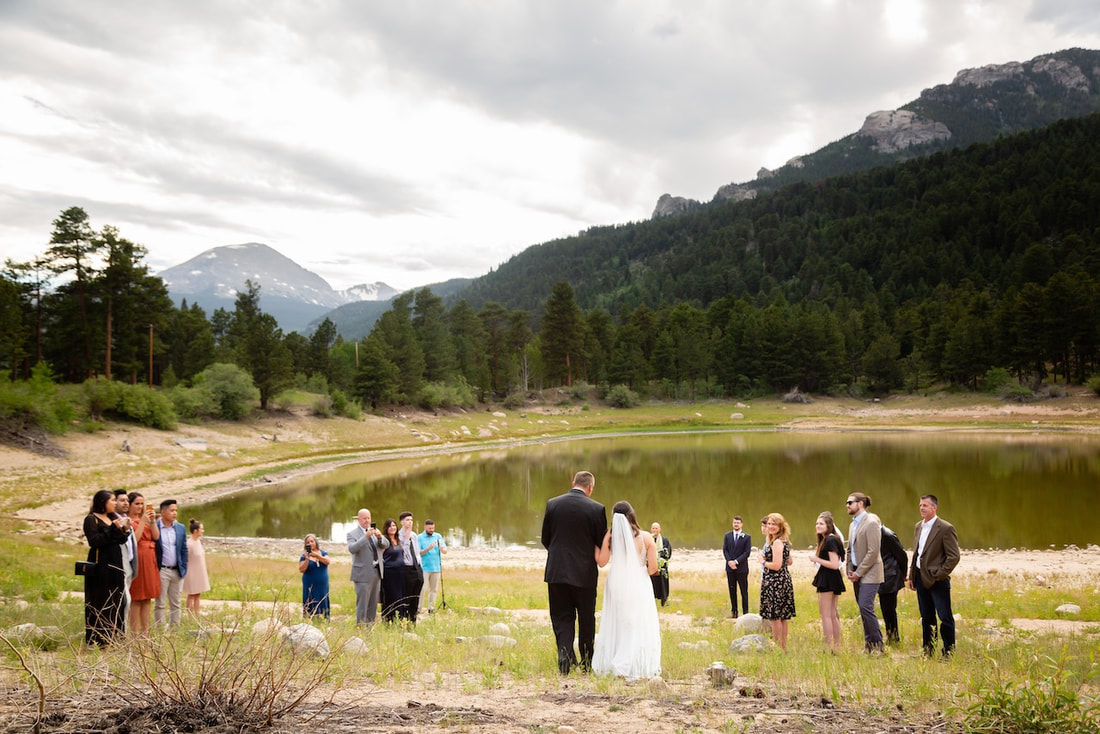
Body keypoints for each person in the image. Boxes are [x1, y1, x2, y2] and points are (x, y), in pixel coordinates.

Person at [541, 470, 608, 674]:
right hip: (584, 574)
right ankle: (587, 662)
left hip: (557, 571)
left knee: (562, 616)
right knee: (586, 617)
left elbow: (546, 539)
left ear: (573, 483)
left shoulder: (553, 504)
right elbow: (600, 543)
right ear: (590, 487)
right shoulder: (597, 509)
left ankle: (565, 656)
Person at [592, 501, 661, 679]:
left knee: (618, 620)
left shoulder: (611, 536)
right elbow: (653, 569)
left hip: (616, 582)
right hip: (638, 583)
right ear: (632, 514)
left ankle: (616, 657)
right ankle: (631, 661)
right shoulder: (646, 537)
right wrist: (639, 573)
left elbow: (601, 562)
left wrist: (593, 544)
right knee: (636, 621)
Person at [907, 494, 960, 657]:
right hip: (920, 578)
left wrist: (939, 574)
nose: (921, 508)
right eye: (920, 505)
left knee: (944, 617)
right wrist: (911, 576)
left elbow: (954, 556)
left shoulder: (945, 528)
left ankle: (948, 652)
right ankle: (928, 650)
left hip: (938, 580)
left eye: (925, 505)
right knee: (927, 617)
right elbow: (917, 553)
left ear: (934, 508)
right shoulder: (918, 526)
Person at [83, 490, 131, 645]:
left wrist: (124, 530)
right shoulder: (91, 519)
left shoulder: (112, 518)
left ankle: (116, 635)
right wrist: (113, 529)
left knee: (118, 599)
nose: (115, 503)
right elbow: (95, 541)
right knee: (101, 600)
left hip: (115, 563)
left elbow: (120, 541)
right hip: (100, 566)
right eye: (112, 500)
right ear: (103, 502)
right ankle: (99, 638)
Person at [846, 491, 884, 653]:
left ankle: (878, 646)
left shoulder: (871, 522)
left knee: (866, 606)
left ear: (860, 503)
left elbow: (873, 551)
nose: (847, 505)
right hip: (856, 573)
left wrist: (859, 572)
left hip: (870, 573)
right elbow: (849, 549)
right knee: (862, 609)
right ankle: (869, 645)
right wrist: (849, 568)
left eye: (850, 502)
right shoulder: (852, 524)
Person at [759, 513, 795, 651]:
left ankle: (779, 647)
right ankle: (783, 648)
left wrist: (763, 561)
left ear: (780, 526)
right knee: (782, 616)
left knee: (775, 617)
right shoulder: (781, 540)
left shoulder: (778, 542)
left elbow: (776, 565)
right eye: (769, 524)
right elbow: (790, 561)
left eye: (774, 524)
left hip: (776, 582)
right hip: (781, 580)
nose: (771, 526)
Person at [810, 511, 846, 651]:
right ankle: (836, 646)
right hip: (832, 578)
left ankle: (829, 646)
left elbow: (834, 564)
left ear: (829, 525)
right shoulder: (831, 538)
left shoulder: (830, 540)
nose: (818, 526)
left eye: (821, 523)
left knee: (826, 615)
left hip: (828, 578)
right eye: (817, 523)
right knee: (832, 614)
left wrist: (816, 559)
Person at [126, 492, 159, 635]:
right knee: (136, 596)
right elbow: (135, 539)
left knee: (147, 597)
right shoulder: (128, 520)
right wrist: (143, 522)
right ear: (130, 505)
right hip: (138, 557)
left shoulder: (145, 519)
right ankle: (134, 631)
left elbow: (156, 536)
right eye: (137, 504)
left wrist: (151, 521)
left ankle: (145, 631)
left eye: (142, 504)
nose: (140, 507)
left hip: (149, 558)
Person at [347, 508, 386, 625]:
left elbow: (386, 545)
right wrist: (366, 537)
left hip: (376, 572)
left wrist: (380, 537)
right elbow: (352, 549)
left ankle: (370, 627)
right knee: (362, 603)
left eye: (368, 518)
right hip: (362, 574)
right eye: (364, 518)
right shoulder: (352, 534)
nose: (367, 521)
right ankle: (360, 627)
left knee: (373, 603)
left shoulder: (375, 532)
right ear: (358, 519)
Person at [154, 499, 188, 627]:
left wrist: (184, 567)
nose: (175, 513)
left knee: (176, 603)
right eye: (172, 510)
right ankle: (160, 631)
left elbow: (184, 548)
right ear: (163, 512)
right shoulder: (155, 527)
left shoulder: (180, 528)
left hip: (177, 570)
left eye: (176, 511)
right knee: (160, 603)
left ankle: (175, 631)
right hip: (162, 570)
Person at [878, 524, 908, 644]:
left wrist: (904, 574)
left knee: (889, 609)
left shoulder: (888, 535)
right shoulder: (876, 534)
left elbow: (902, 556)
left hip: (891, 576)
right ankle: (891, 637)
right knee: (886, 608)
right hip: (882, 575)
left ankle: (894, 638)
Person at [113, 489, 136, 632]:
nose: (126, 503)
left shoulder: (127, 519)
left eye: (127, 501)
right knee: (123, 601)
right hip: (119, 565)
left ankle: (122, 632)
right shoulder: (113, 521)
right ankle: (120, 633)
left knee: (126, 602)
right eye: (122, 500)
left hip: (129, 566)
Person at [397, 511, 424, 622]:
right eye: (407, 520)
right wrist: (406, 538)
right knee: (407, 596)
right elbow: (404, 551)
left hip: (416, 568)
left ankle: (413, 620)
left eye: (411, 520)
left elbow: (417, 552)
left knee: (416, 596)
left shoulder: (414, 535)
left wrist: (420, 566)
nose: (410, 522)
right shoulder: (399, 535)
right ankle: (403, 619)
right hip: (406, 568)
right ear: (402, 522)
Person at [723, 515, 751, 618]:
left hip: (742, 568)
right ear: (732, 524)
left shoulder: (746, 536)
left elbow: (747, 552)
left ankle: (745, 613)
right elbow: (725, 550)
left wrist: (736, 561)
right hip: (730, 568)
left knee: (744, 591)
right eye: (734, 522)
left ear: (741, 524)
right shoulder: (727, 536)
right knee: (732, 590)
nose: (736, 524)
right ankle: (734, 611)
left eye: (738, 523)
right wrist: (730, 561)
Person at [418, 519, 447, 614]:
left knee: (434, 589)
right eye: (430, 528)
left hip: (436, 568)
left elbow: (445, 551)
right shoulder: (420, 537)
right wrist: (428, 549)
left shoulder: (437, 536)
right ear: (425, 527)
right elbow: (418, 553)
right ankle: (418, 608)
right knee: (423, 589)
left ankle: (431, 608)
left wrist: (442, 549)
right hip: (424, 568)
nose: (431, 530)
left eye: (433, 528)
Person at [182, 519, 210, 617]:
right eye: (201, 529)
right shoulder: (189, 544)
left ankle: (197, 614)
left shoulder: (198, 542)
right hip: (191, 572)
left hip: (199, 571)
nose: (203, 530)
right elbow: (185, 559)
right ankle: (189, 614)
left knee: (198, 594)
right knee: (191, 593)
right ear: (195, 531)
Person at [299, 533, 331, 619]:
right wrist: (307, 559)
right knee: (309, 599)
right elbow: (301, 569)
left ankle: (324, 618)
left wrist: (317, 555)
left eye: (312, 541)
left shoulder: (323, 553)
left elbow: (327, 561)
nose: (310, 543)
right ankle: (309, 618)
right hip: (309, 583)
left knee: (323, 598)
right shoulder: (304, 556)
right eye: (307, 542)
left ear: (315, 542)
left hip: (322, 583)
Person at [379, 519, 405, 622]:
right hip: (389, 573)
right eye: (390, 526)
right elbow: (380, 556)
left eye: (394, 526)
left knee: (400, 596)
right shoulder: (384, 541)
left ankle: (399, 618)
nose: (393, 528)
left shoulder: (398, 540)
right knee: (391, 596)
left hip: (400, 573)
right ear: (386, 528)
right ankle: (388, 619)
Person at [649, 522, 671, 606]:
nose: (654, 530)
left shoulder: (664, 540)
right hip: (651, 565)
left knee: (663, 583)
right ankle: (651, 601)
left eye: (656, 528)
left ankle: (664, 600)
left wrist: (658, 557)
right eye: (653, 528)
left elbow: (667, 552)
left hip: (661, 566)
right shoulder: (649, 539)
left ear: (659, 529)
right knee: (652, 583)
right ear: (651, 529)